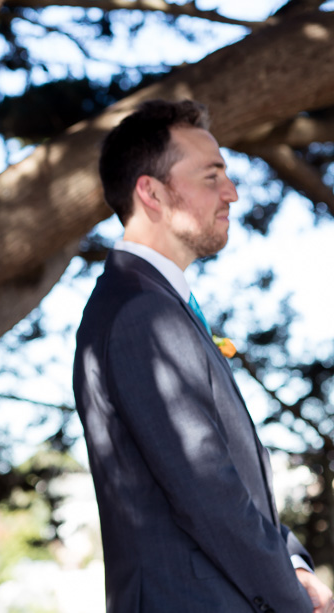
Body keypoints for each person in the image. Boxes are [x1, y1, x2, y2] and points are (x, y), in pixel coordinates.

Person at [72, 99, 334, 613]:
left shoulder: (154, 303)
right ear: (151, 192)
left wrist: (296, 566)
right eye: (212, 176)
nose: (232, 193)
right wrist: (292, 604)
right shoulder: (140, 314)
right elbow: (207, 492)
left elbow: (227, 480)